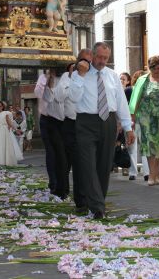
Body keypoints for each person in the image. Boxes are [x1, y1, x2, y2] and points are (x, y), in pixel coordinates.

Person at [69, 42, 135, 218]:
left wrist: (128, 128)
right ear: (92, 55)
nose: (102, 61)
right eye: (99, 57)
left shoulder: (112, 76)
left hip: (108, 122)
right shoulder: (79, 74)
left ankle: (98, 203)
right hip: (85, 122)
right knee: (88, 165)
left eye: (106, 58)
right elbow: (73, 97)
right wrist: (80, 76)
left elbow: (121, 103)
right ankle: (98, 207)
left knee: (104, 166)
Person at [129, 56, 159, 186]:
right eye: (153, 68)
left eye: (158, 68)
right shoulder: (143, 80)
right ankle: (153, 175)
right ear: (150, 68)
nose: (156, 71)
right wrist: (132, 116)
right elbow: (135, 99)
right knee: (149, 146)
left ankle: (155, 175)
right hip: (146, 118)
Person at [56, 57, 88, 211]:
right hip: (72, 123)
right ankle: (80, 200)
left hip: (89, 123)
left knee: (88, 163)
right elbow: (59, 97)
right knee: (76, 163)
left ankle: (89, 196)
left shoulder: (93, 78)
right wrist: (70, 80)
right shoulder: (65, 78)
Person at [35, 68, 65, 196]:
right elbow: (37, 93)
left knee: (62, 154)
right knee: (51, 153)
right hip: (47, 120)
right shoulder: (43, 77)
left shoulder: (66, 78)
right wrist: (48, 80)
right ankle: (53, 182)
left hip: (62, 120)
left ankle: (62, 184)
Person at [119, 72, 138, 180]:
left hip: (131, 122)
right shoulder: (126, 91)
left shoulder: (129, 90)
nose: (121, 80)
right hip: (124, 122)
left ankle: (133, 171)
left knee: (131, 146)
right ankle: (129, 169)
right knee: (129, 146)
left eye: (123, 79)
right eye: (120, 78)